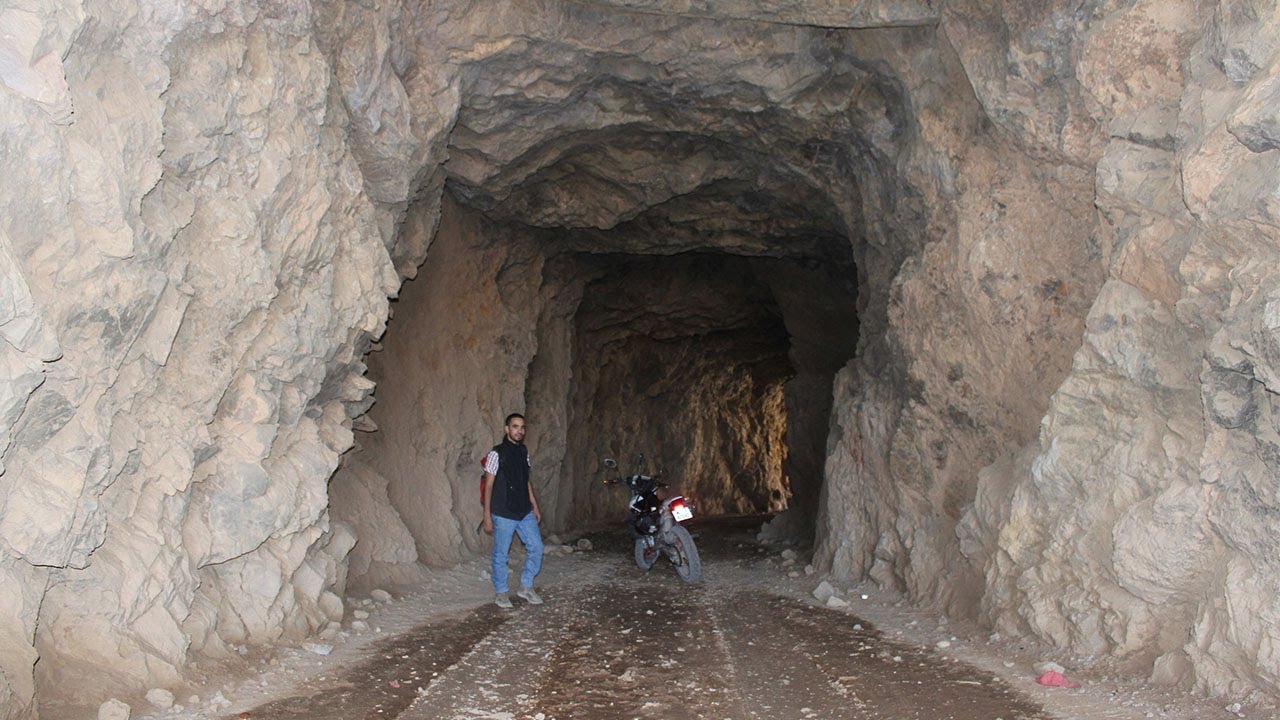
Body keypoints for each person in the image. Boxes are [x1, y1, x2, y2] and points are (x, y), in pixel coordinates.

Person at [482, 413, 544, 608]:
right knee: (501, 554)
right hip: (503, 512)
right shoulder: (496, 453)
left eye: (522, 427)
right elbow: (489, 486)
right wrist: (487, 515)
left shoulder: (523, 451)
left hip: (524, 510)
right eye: (515, 426)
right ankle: (501, 592)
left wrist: (534, 504)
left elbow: (526, 480)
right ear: (507, 429)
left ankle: (526, 586)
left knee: (537, 547)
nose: (519, 431)